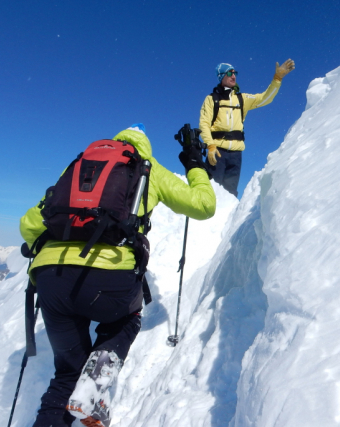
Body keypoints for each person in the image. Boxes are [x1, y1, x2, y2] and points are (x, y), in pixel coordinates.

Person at [20, 124, 216, 427]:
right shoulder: (147, 167)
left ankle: (66, 400)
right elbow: (204, 206)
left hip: (51, 279)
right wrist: (194, 165)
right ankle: (92, 386)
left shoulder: (79, 165)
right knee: (126, 319)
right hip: (109, 278)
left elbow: (30, 223)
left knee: (65, 375)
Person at [199, 59, 295, 196]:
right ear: (221, 76)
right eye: (229, 73)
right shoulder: (211, 99)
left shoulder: (242, 99)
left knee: (229, 195)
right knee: (210, 192)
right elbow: (204, 124)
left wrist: (277, 78)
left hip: (236, 155)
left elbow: (265, 98)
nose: (234, 76)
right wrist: (210, 146)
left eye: (235, 73)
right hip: (217, 152)